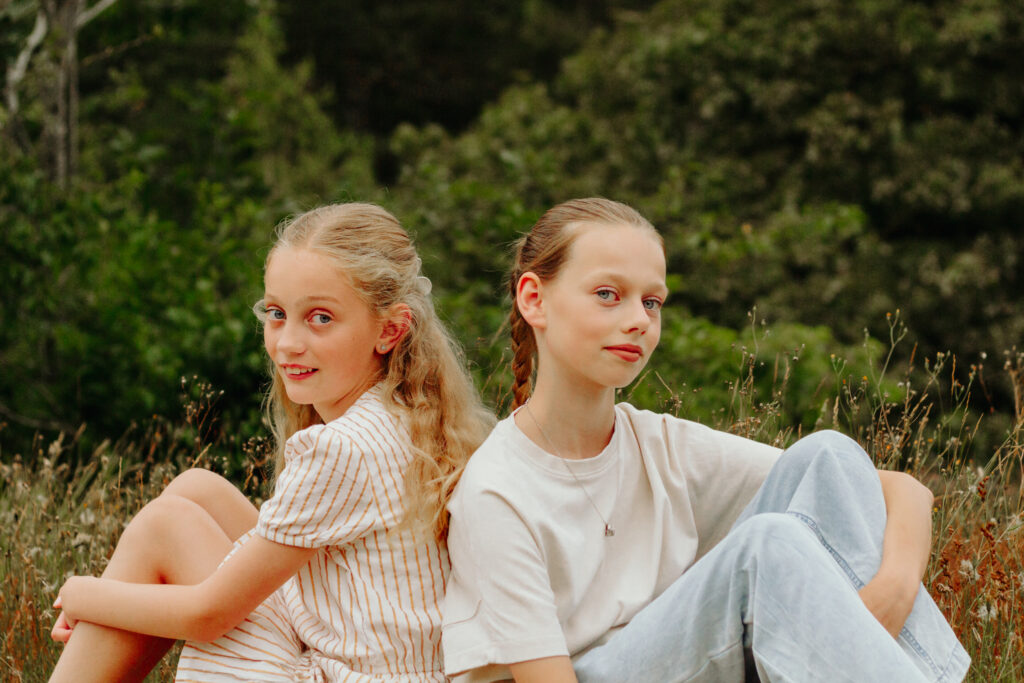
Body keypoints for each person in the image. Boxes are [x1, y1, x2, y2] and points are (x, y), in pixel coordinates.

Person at [441, 198, 969, 683]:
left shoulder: (659, 443)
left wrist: (894, 588)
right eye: (608, 295)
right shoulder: (496, 491)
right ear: (534, 299)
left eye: (652, 302)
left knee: (827, 454)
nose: (637, 321)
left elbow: (902, 490)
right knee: (765, 547)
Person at [49, 203, 494, 682]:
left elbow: (209, 614)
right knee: (197, 488)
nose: (287, 343)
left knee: (164, 526)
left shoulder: (342, 449)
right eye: (277, 313)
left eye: (320, 318)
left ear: (390, 329)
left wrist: (81, 594)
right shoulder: (409, 413)